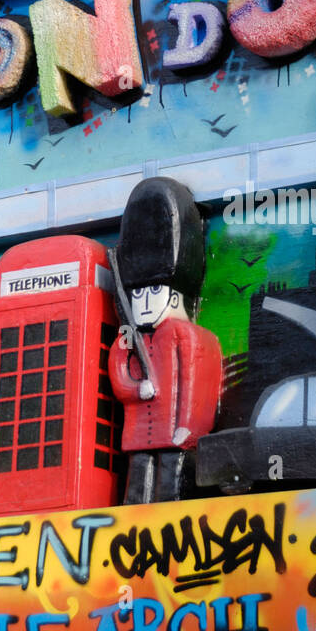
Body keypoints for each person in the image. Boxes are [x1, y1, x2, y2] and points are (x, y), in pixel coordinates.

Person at [108, 177, 221, 503]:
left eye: (154, 291)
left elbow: (193, 388)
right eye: (138, 293)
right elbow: (119, 370)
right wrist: (134, 389)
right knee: (137, 484)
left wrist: (188, 427)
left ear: (175, 297)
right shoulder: (129, 338)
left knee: (172, 483)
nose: (143, 302)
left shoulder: (187, 336)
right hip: (137, 430)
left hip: (174, 429)